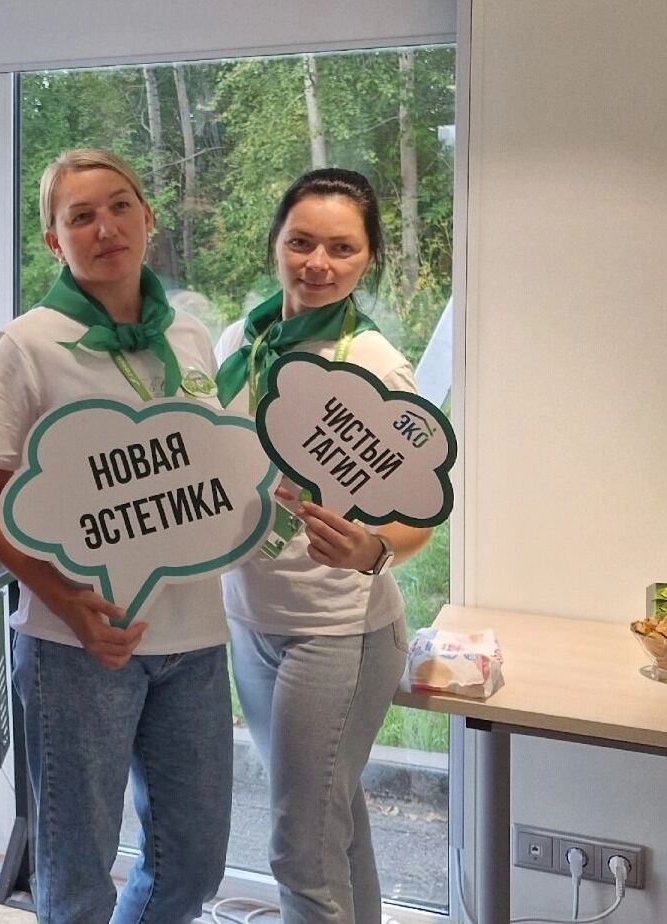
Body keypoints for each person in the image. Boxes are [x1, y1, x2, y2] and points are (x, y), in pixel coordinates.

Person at [0, 149, 232, 924]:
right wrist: (69, 603)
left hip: (194, 637)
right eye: (80, 216)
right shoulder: (29, 345)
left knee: (192, 864)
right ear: (54, 240)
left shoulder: (189, 336)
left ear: (148, 217)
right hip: (76, 647)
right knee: (77, 873)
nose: (106, 227)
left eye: (120, 206)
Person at [213, 168, 433, 924]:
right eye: (301, 242)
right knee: (334, 823)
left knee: (300, 850)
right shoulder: (242, 342)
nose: (317, 263)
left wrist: (370, 549)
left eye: (342, 248)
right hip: (250, 616)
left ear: (367, 259)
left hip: (337, 630)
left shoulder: (374, 365)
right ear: (275, 243)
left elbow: (419, 518)